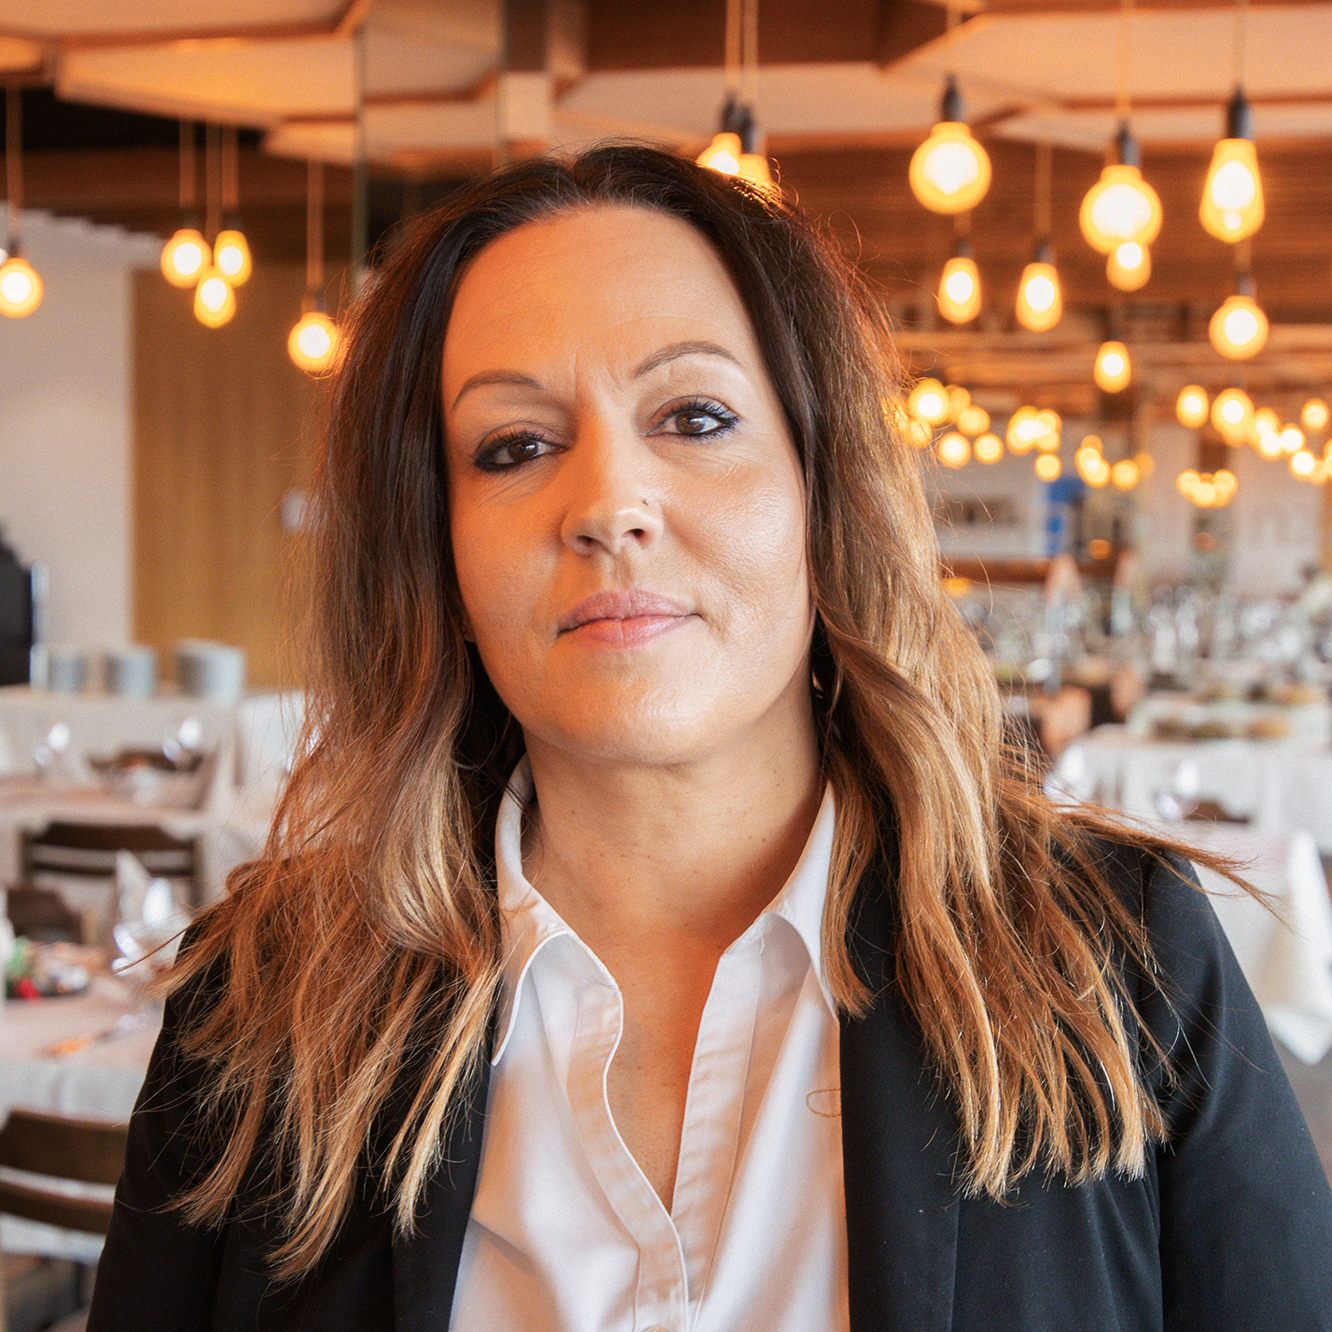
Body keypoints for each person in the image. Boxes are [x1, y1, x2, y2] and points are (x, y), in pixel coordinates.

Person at [89, 145, 1332, 1331]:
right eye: (516, 447)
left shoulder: (1117, 960)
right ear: (438, 552)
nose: (608, 504)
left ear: (821, 491)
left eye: (692, 417)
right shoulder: (256, 1013)